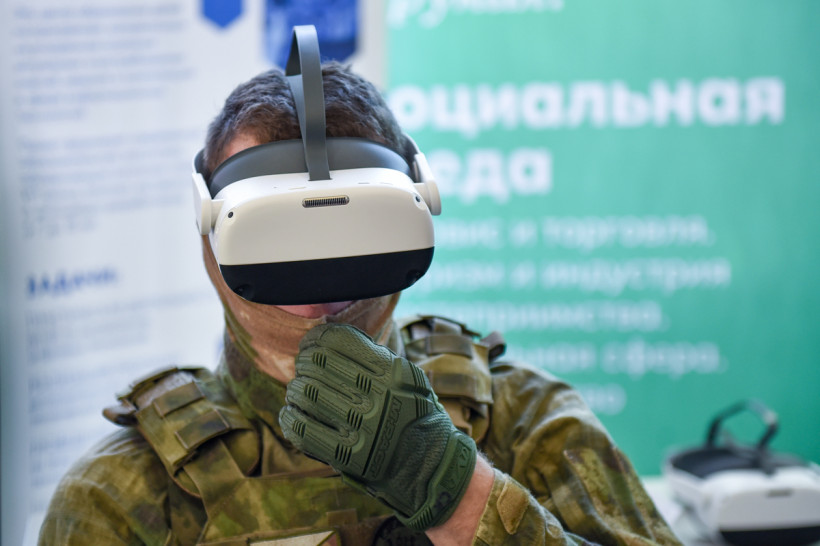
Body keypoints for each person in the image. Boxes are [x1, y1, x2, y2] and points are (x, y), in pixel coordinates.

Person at [39, 61, 682, 545]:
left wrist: (457, 491)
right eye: (272, 234)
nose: (317, 292)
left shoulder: (523, 422)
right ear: (209, 231)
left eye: (353, 231)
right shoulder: (124, 495)